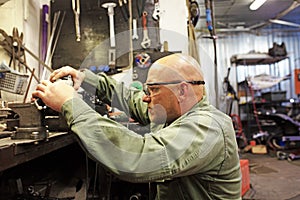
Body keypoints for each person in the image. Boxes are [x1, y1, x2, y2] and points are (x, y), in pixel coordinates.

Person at [32, 53, 242, 199]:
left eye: (153, 90)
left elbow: (138, 156)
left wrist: (71, 103)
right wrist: (86, 79)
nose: (145, 98)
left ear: (182, 91)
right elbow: (129, 98)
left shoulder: (207, 128)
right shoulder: (171, 115)